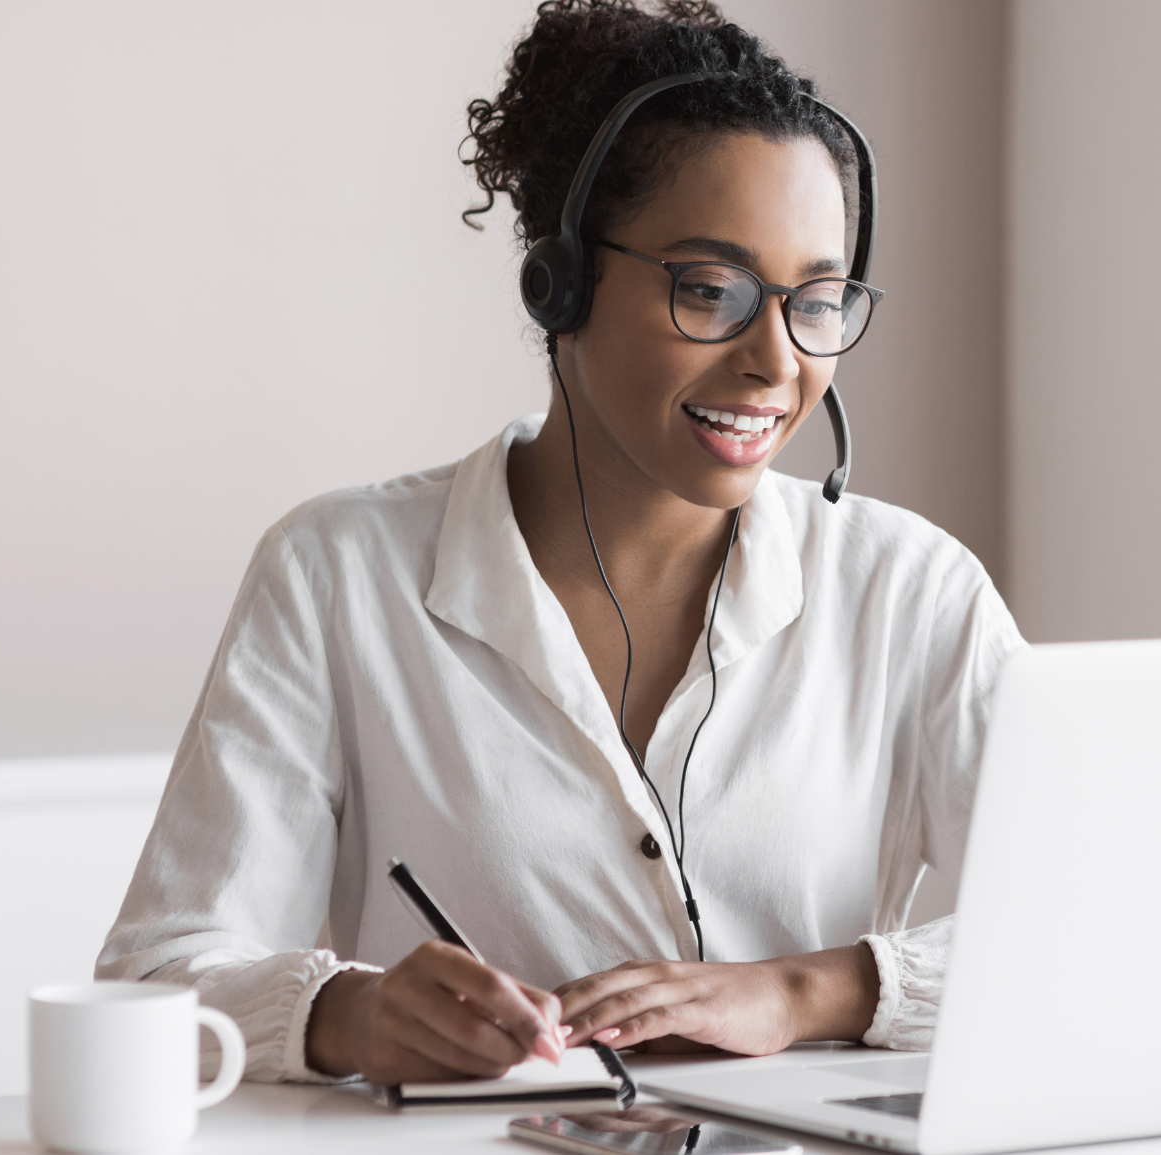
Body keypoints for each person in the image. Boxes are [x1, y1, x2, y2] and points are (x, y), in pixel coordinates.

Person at [96, 0, 1021, 1087]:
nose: (778, 361)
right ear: (563, 283)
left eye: (815, 301)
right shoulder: (337, 574)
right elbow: (157, 978)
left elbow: (1112, 928)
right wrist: (349, 1014)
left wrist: (802, 992)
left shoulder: (911, 592)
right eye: (710, 291)